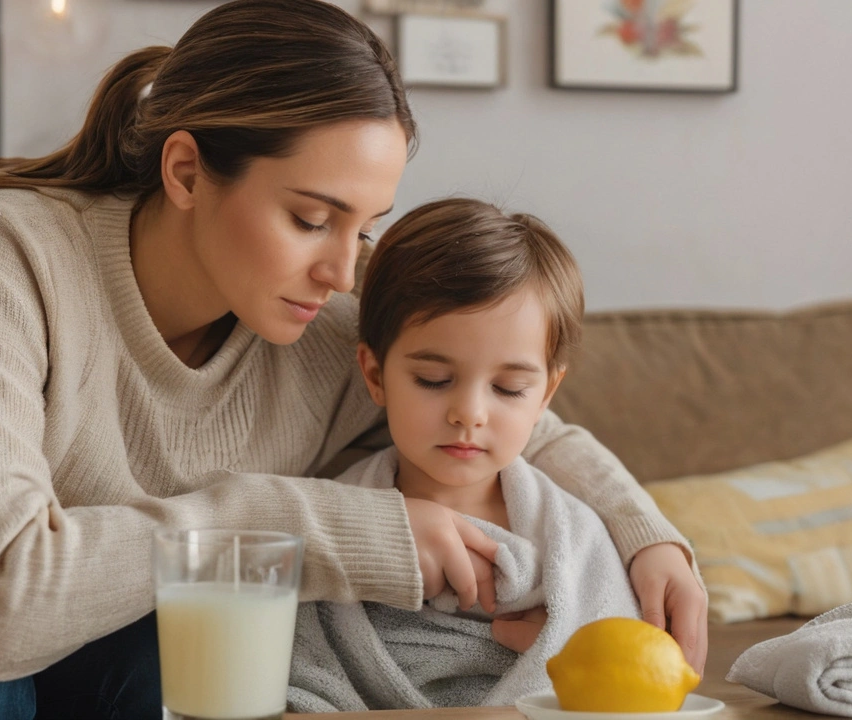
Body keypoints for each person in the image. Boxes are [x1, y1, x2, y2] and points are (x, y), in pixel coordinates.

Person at [0, 1, 705, 717]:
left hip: (81, 650)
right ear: (187, 172)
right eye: (311, 218)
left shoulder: (324, 319)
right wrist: (302, 526)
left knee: (193, 659)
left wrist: (643, 530)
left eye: (367, 225)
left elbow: (512, 412)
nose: (344, 267)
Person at [287, 198, 692, 711]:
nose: (469, 413)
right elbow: (302, 668)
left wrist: (565, 644)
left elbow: (614, 662)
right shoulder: (336, 517)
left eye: (509, 388)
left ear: (546, 394)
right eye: (433, 380)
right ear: (374, 374)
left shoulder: (575, 533)